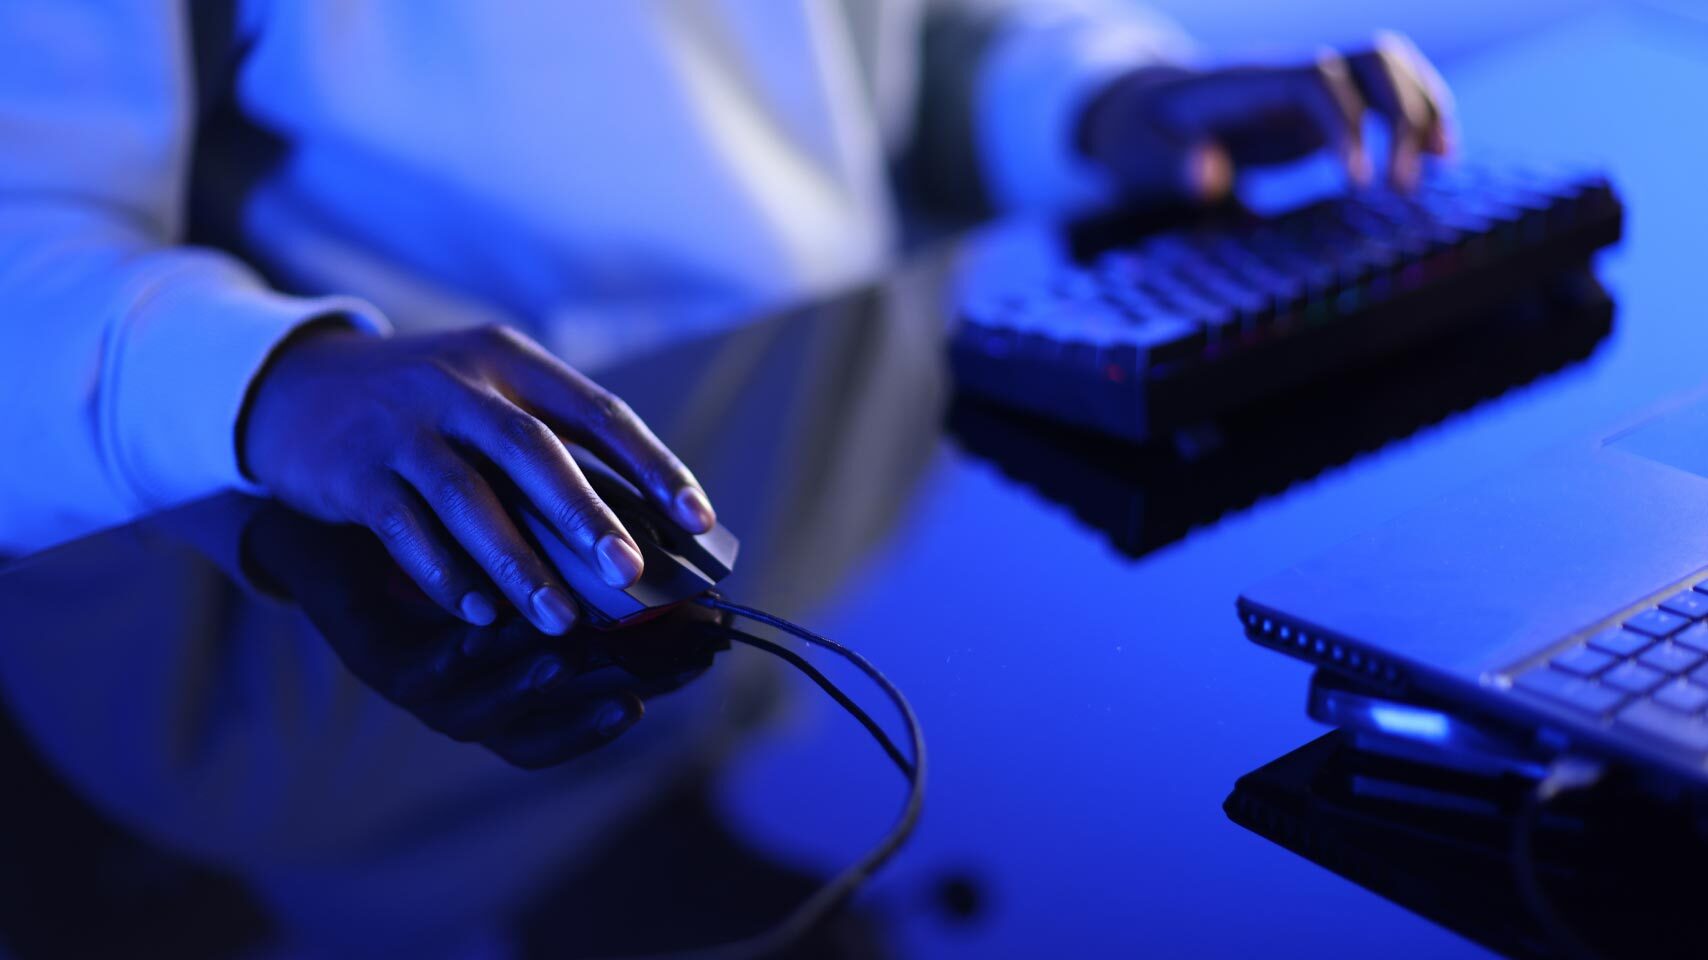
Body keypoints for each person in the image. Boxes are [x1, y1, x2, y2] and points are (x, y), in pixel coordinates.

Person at [0, 1, 1453, 637]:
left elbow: (910, 39)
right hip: (431, 564)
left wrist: (1107, 100)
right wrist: (276, 380)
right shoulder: (280, 798)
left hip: (833, 472)